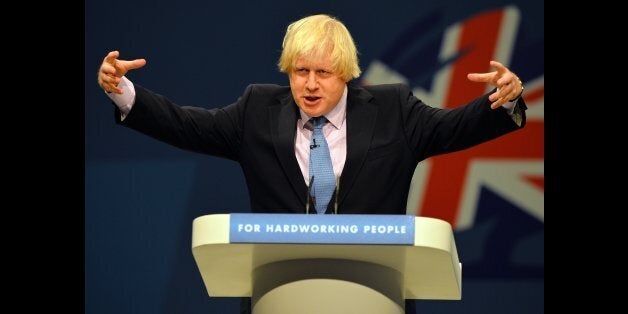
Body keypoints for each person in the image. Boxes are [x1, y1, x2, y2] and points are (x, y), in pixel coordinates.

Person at [97, 13, 526, 314]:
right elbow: (187, 125)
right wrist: (125, 93)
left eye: (323, 72)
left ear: (346, 72)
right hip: (280, 296)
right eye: (300, 70)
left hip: (373, 295)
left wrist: (503, 102)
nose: (310, 84)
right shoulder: (257, 110)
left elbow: (453, 128)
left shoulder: (393, 109)